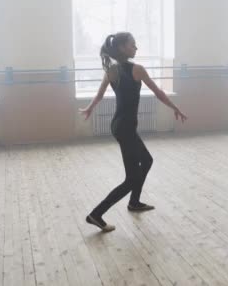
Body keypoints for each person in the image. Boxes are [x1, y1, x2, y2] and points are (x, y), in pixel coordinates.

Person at [79, 32, 187, 232]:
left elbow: (100, 94)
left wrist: (90, 108)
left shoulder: (112, 70)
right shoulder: (137, 69)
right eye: (132, 45)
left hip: (120, 125)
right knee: (132, 179)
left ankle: (134, 202)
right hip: (126, 128)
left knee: (146, 161)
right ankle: (96, 214)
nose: (136, 48)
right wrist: (175, 108)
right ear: (122, 47)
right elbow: (159, 93)